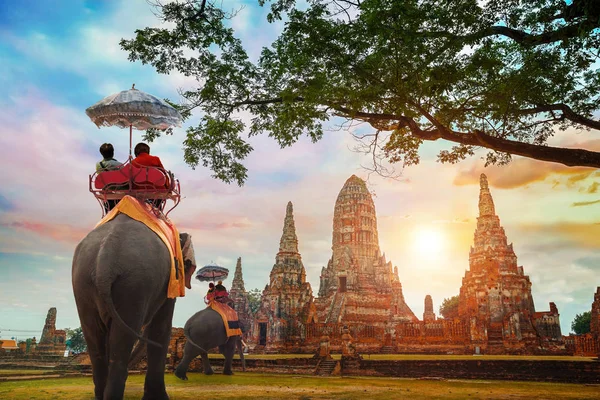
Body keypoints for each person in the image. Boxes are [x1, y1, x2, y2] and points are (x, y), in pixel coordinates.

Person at [132, 142, 167, 209]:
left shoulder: (133, 162)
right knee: (157, 211)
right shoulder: (156, 159)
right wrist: (167, 188)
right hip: (157, 191)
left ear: (136, 152)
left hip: (140, 193)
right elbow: (164, 175)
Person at [95, 143, 123, 213]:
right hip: (118, 192)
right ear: (113, 152)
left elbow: (100, 176)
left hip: (106, 192)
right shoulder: (120, 165)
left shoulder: (98, 165)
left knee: (108, 211)